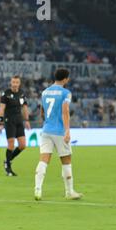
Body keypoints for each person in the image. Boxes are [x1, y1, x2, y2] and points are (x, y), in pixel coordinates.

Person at [34, 69, 83, 201]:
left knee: (43, 160)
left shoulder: (45, 92)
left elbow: (42, 111)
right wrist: (67, 130)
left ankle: (38, 189)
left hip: (46, 130)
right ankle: (69, 192)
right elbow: (65, 111)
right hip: (59, 131)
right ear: (66, 79)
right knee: (66, 161)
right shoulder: (66, 93)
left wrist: (47, 122)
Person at [0, 76, 31, 176]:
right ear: (11, 83)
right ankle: (8, 168)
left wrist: (27, 120)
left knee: (22, 145)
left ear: (19, 83)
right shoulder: (6, 94)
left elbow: (25, 108)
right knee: (11, 145)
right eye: (13, 82)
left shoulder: (22, 94)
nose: (15, 84)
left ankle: (7, 161)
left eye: (17, 82)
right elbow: (1, 109)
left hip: (19, 121)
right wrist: (1, 122)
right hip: (9, 121)